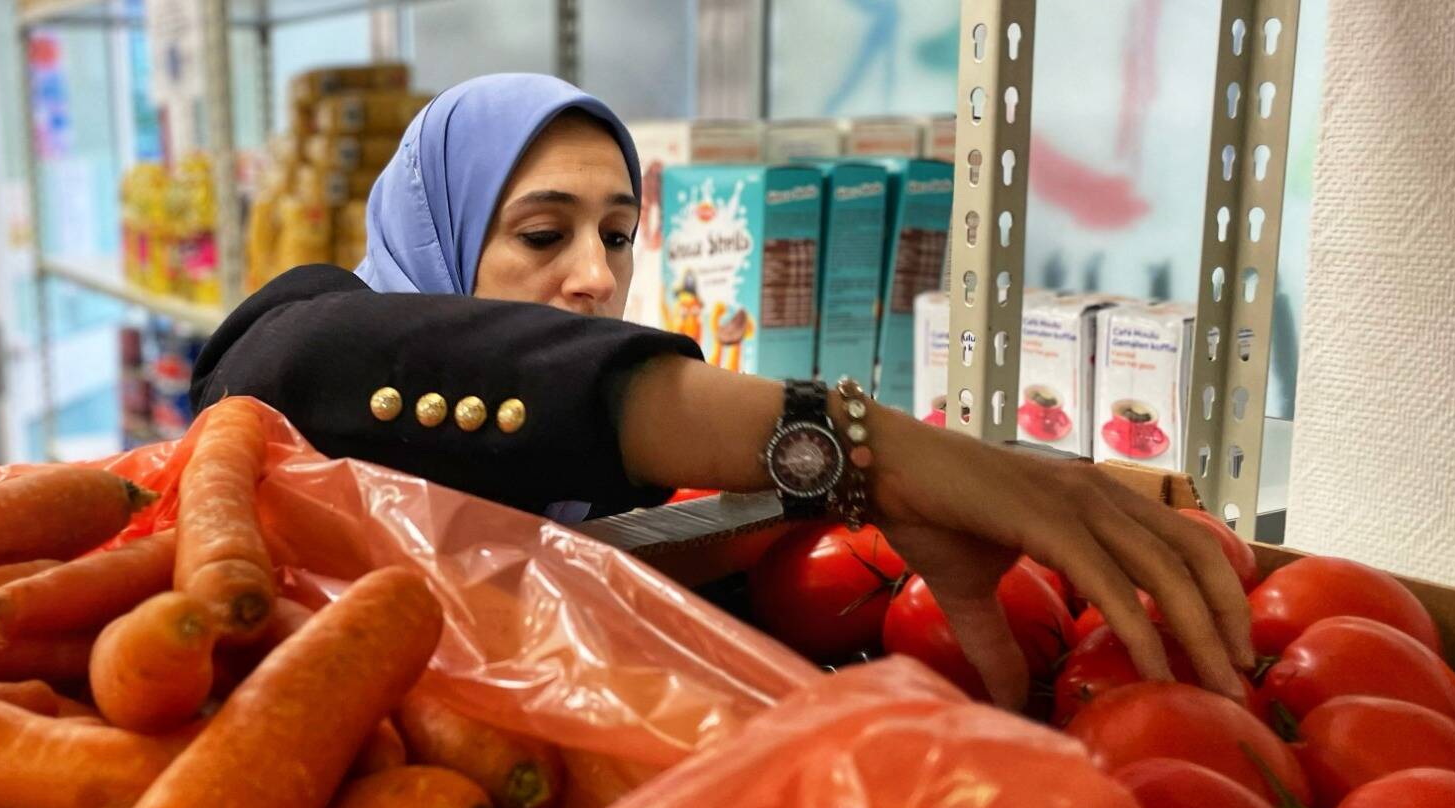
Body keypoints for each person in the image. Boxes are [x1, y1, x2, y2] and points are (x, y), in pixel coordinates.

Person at [194, 73, 1255, 710]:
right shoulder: (309, 335)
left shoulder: (609, 500)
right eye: (538, 233)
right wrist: (872, 450)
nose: (593, 275)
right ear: (439, 228)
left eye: (616, 235)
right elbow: (296, 360)